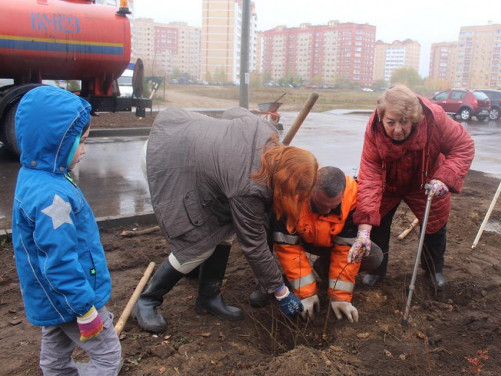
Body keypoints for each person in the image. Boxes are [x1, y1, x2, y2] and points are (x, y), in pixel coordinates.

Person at [134, 107, 315, 333]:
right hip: (168, 158)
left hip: (188, 142)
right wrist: (281, 292)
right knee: (198, 244)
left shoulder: (265, 131)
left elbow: (233, 113)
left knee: (225, 230)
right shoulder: (249, 187)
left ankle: (208, 297)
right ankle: (148, 300)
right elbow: (254, 246)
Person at [11, 86, 122, 375]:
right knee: (109, 357)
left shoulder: (38, 172)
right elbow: (59, 261)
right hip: (73, 298)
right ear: (56, 144)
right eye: (81, 141)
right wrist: (85, 309)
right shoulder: (51, 197)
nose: (85, 149)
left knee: (56, 352)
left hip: (52, 297)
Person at [350, 84, 475, 291]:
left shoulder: (435, 118)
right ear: (382, 118)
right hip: (387, 182)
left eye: (404, 122)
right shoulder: (373, 129)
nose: (397, 130)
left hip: (426, 180)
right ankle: (376, 269)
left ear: (415, 118)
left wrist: (444, 178)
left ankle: (433, 269)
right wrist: (364, 228)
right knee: (377, 223)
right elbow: (370, 177)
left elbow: (463, 145)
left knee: (435, 223)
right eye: (391, 122)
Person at [271, 166, 383, 322]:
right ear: (310, 191)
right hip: (305, 238)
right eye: (320, 205)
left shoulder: (352, 198)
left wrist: (340, 297)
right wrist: (306, 293)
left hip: (332, 241)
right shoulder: (292, 195)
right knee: (278, 240)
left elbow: (346, 249)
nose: (325, 211)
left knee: (374, 256)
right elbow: (289, 249)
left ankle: (324, 268)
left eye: (332, 207)